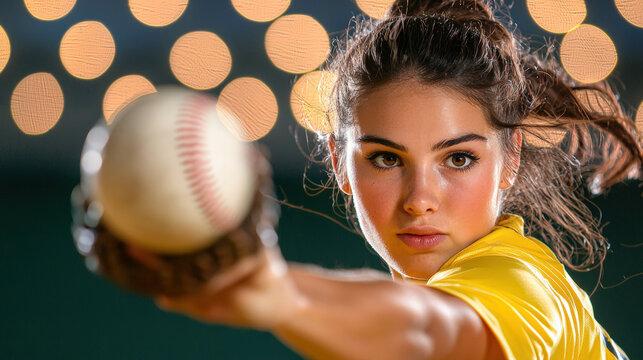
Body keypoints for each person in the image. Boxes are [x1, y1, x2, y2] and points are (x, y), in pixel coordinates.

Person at [75, 0, 642, 359]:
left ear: (511, 158)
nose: (420, 200)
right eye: (386, 159)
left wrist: (281, 294)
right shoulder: (374, 327)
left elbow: (432, 336)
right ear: (341, 162)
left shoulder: (523, 283)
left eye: (459, 159)